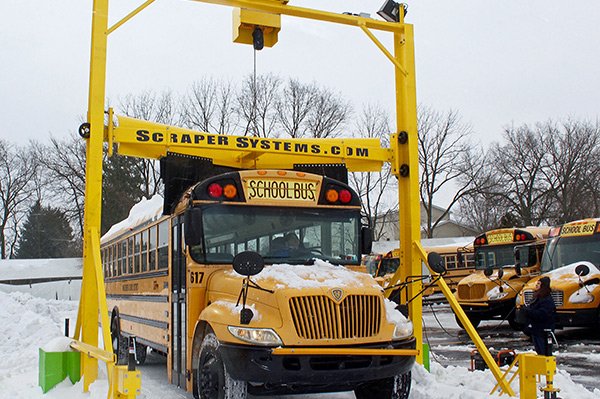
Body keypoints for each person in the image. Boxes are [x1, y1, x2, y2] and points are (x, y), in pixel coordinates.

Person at [522, 276, 556, 355]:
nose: (536, 285)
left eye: (539, 284)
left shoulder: (546, 299)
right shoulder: (538, 297)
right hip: (536, 330)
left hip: (543, 330)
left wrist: (529, 312)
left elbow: (542, 314)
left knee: (544, 351)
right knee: (538, 349)